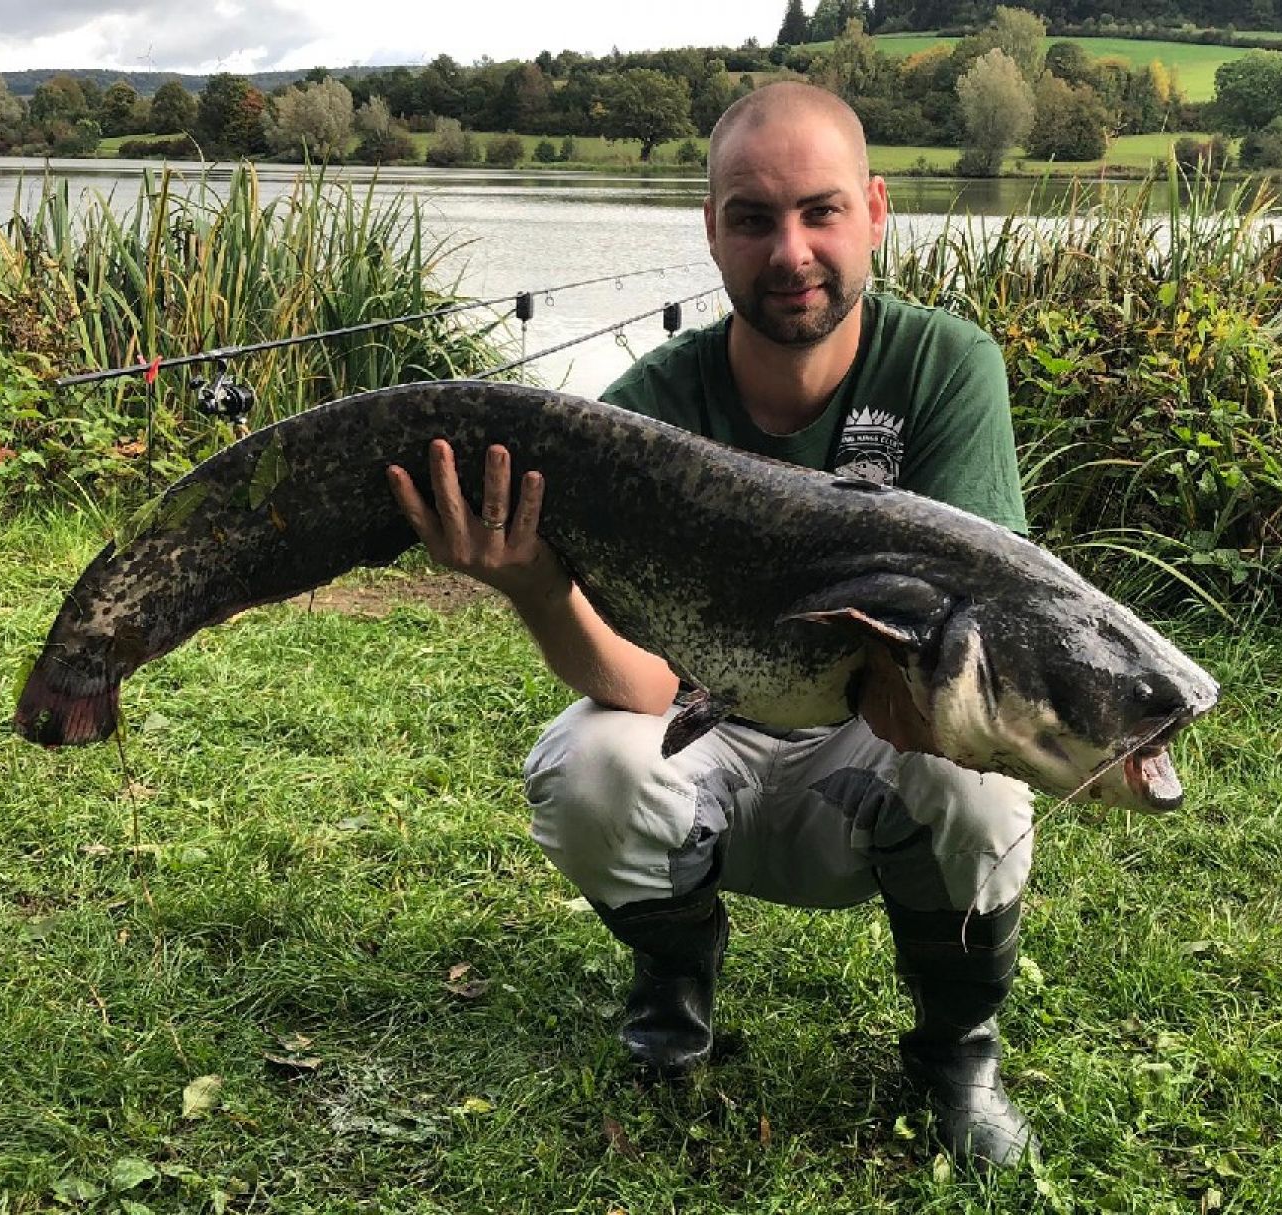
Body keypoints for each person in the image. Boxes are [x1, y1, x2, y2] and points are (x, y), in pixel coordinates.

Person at [385, 81, 1037, 1171]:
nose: (791, 251)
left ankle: (955, 1049)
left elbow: (968, 649)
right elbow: (640, 686)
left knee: (981, 784)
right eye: (753, 217)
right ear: (711, 231)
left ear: (877, 211)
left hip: (876, 748)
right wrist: (537, 587)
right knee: (587, 763)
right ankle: (674, 991)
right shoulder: (644, 410)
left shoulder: (944, 369)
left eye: (821, 211)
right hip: (710, 742)